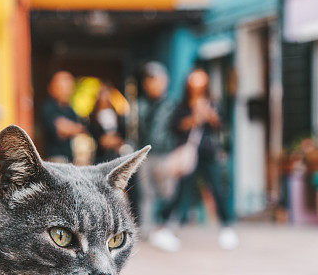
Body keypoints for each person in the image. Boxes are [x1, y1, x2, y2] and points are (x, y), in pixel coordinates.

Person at [151, 68, 238, 251]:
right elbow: (174, 127)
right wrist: (194, 118)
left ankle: (227, 227)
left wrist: (210, 116)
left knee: (217, 188)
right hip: (188, 155)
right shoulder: (181, 105)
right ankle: (166, 226)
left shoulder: (212, 103)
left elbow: (221, 125)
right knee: (180, 191)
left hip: (208, 153)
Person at [88, 85, 141, 222]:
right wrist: (105, 141)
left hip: (116, 154)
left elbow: (123, 135)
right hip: (102, 156)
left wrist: (115, 141)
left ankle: (134, 216)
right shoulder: (92, 116)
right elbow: (98, 138)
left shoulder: (118, 115)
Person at [41, 71, 85, 163]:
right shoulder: (49, 107)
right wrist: (72, 128)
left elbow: (81, 128)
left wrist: (71, 128)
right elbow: (61, 130)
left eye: (70, 87)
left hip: (70, 158)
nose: (68, 90)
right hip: (55, 159)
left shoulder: (70, 109)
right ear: (53, 87)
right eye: (64, 87)